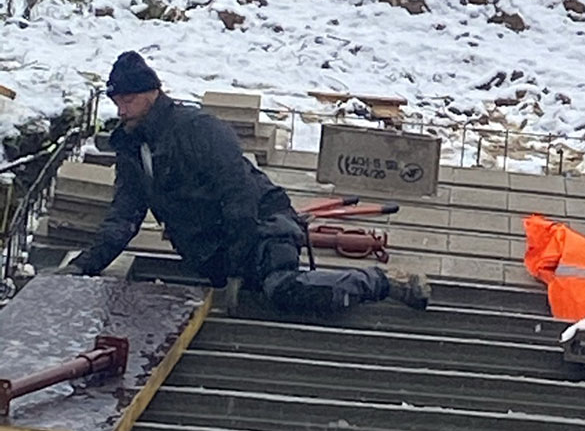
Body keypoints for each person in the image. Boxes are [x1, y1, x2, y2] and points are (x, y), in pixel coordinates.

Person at [69, 52, 430, 317]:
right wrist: (84, 266)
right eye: (117, 102)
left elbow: (238, 195)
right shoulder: (133, 150)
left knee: (284, 291)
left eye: (129, 101)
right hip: (213, 253)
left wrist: (237, 264)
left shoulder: (197, 129)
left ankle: (385, 282)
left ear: (152, 93)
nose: (122, 111)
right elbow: (123, 217)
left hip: (263, 229)